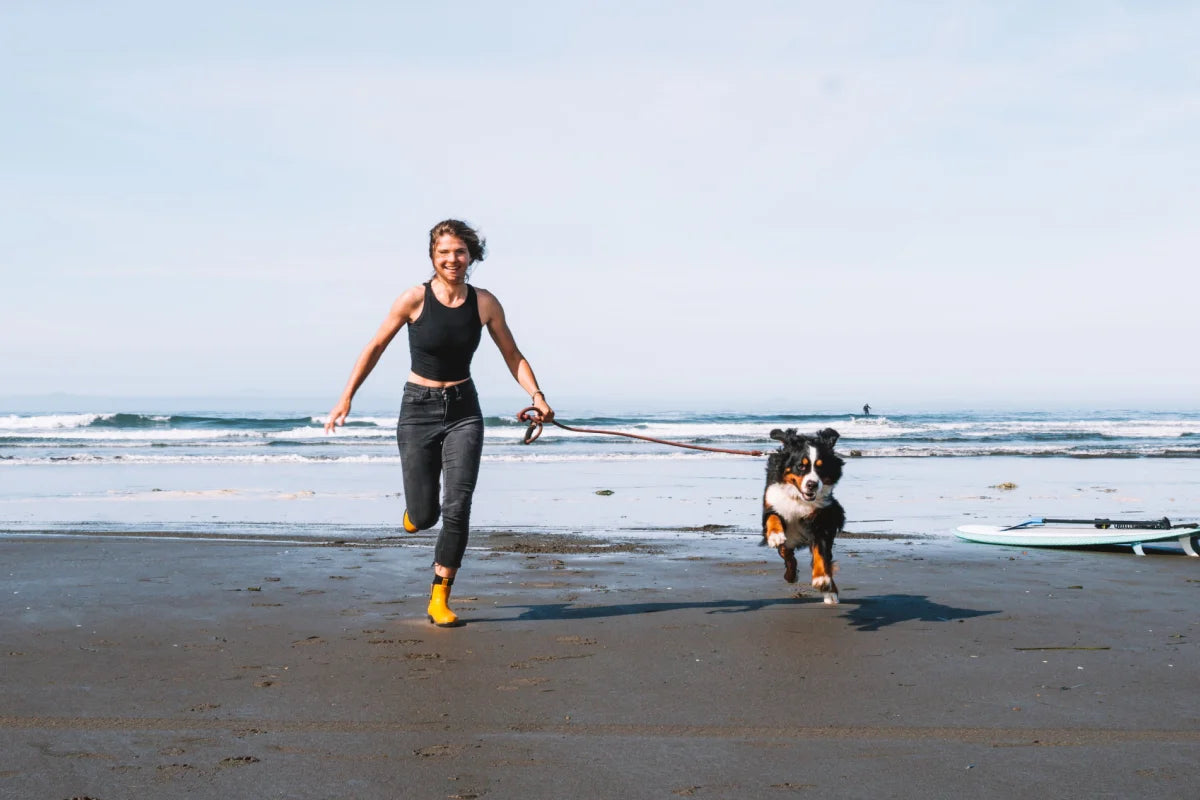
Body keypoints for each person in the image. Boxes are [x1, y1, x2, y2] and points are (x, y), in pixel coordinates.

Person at [325, 219, 554, 627]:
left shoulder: (484, 303)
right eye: (444, 252)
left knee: (458, 505)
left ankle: (439, 596)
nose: (452, 259)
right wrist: (346, 397)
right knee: (426, 514)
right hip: (418, 410)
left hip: (464, 410)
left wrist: (536, 395)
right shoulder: (413, 299)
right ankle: (415, 515)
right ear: (433, 256)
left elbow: (512, 355)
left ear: (471, 256)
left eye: (460, 252)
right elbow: (375, 345)